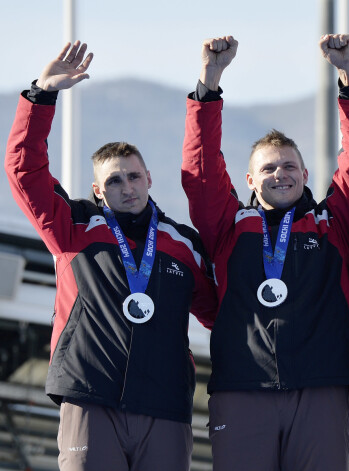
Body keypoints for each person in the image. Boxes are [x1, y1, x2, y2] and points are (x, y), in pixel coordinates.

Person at [4, 41, 218, 471]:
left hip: (165, 405)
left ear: (150, 178)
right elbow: (26, 171)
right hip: (90, 396)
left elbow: (222, 312)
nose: (128, 187)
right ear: (98, 190)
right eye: (115, 181)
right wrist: (42, 94)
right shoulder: (73, 228)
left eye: (134, 176)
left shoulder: (183, 243)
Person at [180, 34, 349, 470]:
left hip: (322, 385)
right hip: (241, 386)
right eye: (268, 168)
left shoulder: (334, 225)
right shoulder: (229, 227)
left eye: (289, 165)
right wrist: (209, 82)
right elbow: (200, 171)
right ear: (249, 181)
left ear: (306, 174)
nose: (280, 174)